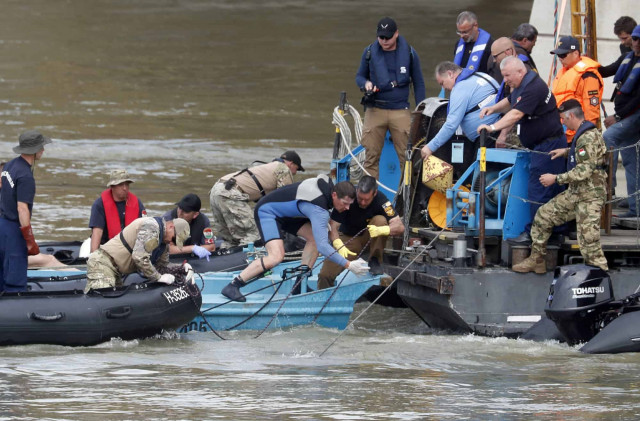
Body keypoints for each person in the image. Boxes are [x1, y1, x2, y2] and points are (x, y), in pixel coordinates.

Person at [220, 176, 370, 302]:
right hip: (268, 212)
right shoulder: (319, 210)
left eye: (350, 204)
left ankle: (299, 283)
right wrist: (349, 265)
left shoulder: (329, 187)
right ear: (334, 195)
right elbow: (324, 246)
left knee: (313, 238)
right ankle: (233, 285)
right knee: (276, 256)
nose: (347, 208)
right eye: (345, 204)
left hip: (287, 214)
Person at [478, 56, 566, 243]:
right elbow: (511, 102)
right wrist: (493, 109)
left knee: (539, 190)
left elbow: (516, 114)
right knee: (546, 189)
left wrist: (492, 128)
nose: (505, 80)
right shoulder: (522, 83)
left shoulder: (533, 87)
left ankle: (535, 234)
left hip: (548, 145)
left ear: (520, 71)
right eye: (503, 76)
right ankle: (553, 232)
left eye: (507, 75)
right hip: (540, 144)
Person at [513, 100, 608, 273]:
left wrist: (555, 178)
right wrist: (565, 151)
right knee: (544, 215)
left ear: (571, 115)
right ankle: (537, 259)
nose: (562, 122)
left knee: (589, 242)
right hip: (576, 193)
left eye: (563, 118)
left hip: (590, 196)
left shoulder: (588, 136)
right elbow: (583, 154)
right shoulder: (583, 133)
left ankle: (600, 274)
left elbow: (584, 171)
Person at [355, 17, 426, 179]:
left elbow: (419, 83)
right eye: (381, 37)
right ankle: (370, 199)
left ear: (396, 34)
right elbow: (359, 76)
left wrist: (421, 110)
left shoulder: (409, 53)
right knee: (370, 158)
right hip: (375, 109)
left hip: (400, 110)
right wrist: (366, 84)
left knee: (407, 158)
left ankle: (406, 199)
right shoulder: (368, 52)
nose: (384, 41)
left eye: (388, 37)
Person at [317, 176, 404, 289]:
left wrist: (383, 230)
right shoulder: (348, 197)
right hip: (349, 239)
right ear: (357, 191)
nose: (362, 203)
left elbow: (399, 226)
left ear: (375, 193)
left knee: (380, 220)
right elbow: (332, 226)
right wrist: (338, 243)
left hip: (371, 238)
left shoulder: (382, 200)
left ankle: (375, 260)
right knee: (325, 275)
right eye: (360, 198)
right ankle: (324, 300)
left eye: (366, 200)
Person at [209, 150, 302, 248]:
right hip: (230, 193)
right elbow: (285, 200)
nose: (295, 173)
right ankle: (246, 259)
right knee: (255, 232)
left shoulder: (265, 169)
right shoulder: (283, 168)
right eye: (297, 168)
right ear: (291, 163)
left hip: (216, 190)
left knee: (230, 237)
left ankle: (226, 257)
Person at [0, 130, 51, 292]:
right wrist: (29, 239)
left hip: (2, 223)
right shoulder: (26, 177)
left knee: (2, 271)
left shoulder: (8, 166)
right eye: (41, 146)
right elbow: (22, 209)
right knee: (15, 279)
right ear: (35, 150)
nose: (43, 149)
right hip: (14, 229)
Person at [85, 216, 191, 292]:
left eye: (176, 243)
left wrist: (181, 268)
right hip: (103, 263)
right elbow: (139, 257)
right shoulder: (152, 226)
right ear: (171, 227)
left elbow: (162, 266)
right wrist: (158, 277)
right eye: (174, 239)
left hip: (117, 273)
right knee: (104, 301)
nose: (172, 243)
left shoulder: (164, 244)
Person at [420, 62, 499, 160]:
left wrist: (430, 147)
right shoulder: (481, 76)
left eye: (442, 83)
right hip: (498, 128)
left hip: (488, 136)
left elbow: (451, 124)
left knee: (480, 174)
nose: (444, 88)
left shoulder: (460, 88)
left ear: (450, 74)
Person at [598, 16, 637, 204]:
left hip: (632, 115)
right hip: (626, 114)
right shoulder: (628, 55)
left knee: (609, 137)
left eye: (627, 38)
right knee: (631, 159)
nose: (627, 43)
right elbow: (607, 70)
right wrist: (587, 65)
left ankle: (608, 190)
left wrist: (618, 116)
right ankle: (634, 206)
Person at [550, 36, 603, 143]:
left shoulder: (587, 75)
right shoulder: (564, 72)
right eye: (558, 55)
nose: (560, 58)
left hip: (577, 136)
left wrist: (584, 136)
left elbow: (591, 111)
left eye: (563, 55)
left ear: (575, 53)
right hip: (562, 133)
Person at [89, 169, 146, 253]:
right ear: (112, 186)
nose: (125, 188)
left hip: (131, 249)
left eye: (127, 184)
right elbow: (97, 232)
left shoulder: (137, 203)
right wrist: (93, 256)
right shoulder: (99, 205)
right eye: (120, 185)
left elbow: (144, 230)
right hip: (106, 247)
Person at [162, 193, 215, 258]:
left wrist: (196, 249)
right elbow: (167, 249)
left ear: (195, 214)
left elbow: (211, 247)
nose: (180, 213)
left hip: (192, 258)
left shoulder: (203, 221)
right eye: (179, 208)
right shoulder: (167, 219)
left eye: (185, 211)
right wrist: (193, 248)